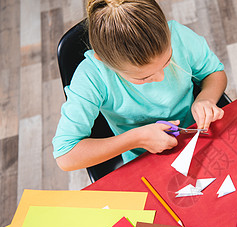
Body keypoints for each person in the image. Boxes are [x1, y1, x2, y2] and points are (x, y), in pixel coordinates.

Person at [53, 0, 227, 171]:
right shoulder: (92, 77)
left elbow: (214, 73)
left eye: (167, 62)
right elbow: (65, 156)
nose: (161, 78)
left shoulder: (179, 37)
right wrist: (137, 139)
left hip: (200, 136)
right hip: (143, 160)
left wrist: (205, 98)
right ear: (105, 61)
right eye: (144, 77)